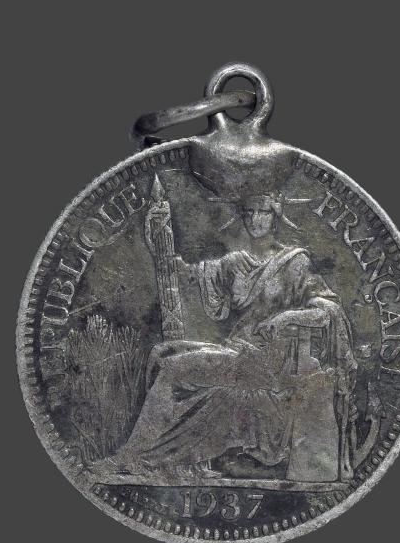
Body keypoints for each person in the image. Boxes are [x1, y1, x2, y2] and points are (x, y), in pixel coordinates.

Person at [107, 190, 358, 481]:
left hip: (269, 364)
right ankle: (166, 459)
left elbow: (327, 310)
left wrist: (287, 317)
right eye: (249, 212)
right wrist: (159, 243)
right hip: (239, 354)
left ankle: (131, 457)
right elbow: (184, 273)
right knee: (161, 354)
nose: (255, 219)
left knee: (173, 369)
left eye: (263, 212)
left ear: (276, 215)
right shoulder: (234, 262)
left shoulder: (295, 262)